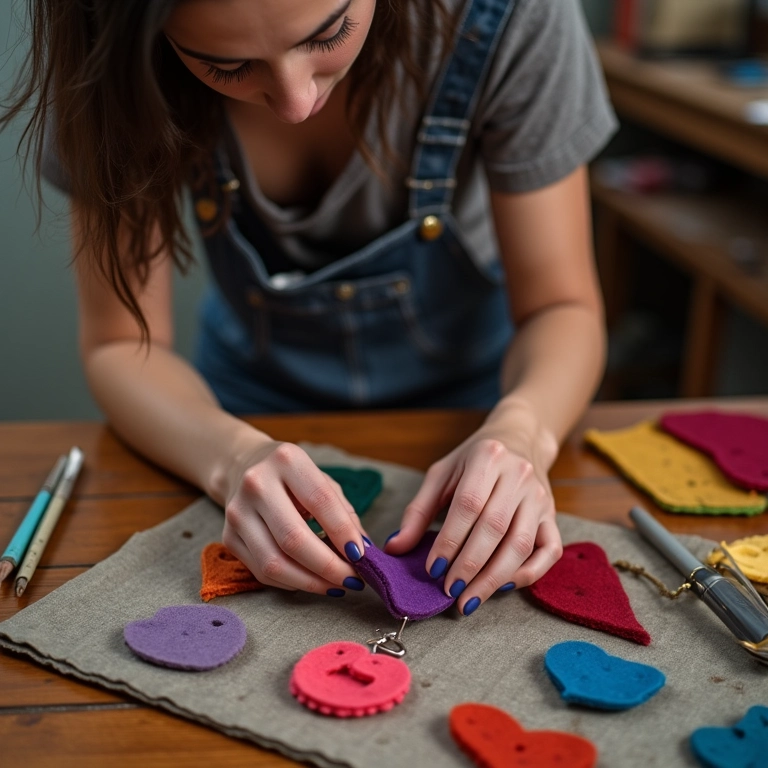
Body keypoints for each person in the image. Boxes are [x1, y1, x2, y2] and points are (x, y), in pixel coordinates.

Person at [3, 0, 616, 616]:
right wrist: (231, 456)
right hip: (232, 412)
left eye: (332, 32)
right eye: (227, 66)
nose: (296, 102)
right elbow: (120, 348)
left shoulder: (509, 16)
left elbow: (561, 308)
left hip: (477, 410)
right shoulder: (108, 57)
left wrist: (524, 433)